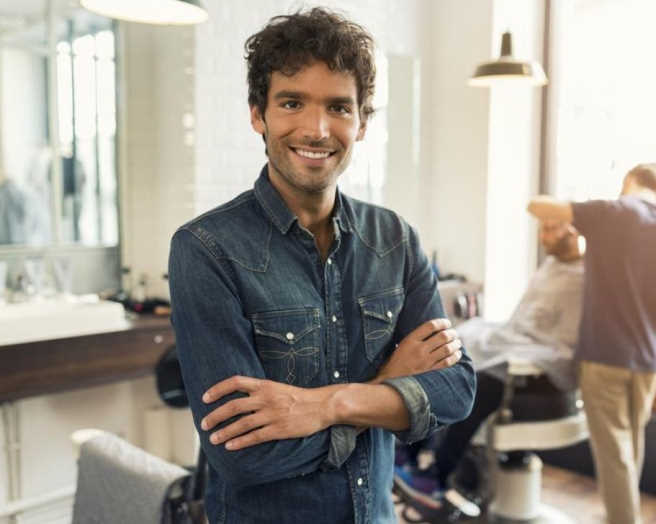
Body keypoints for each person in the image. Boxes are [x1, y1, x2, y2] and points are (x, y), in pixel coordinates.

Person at [168, 9, 476, 524]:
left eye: (338, 107)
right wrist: (386, 387)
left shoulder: (395, 239)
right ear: (257, 114)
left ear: (361, 122)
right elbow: (243, 454)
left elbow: (457, 390)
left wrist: (328, 405)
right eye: (292, 103)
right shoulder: (206, 249)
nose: (316, 128)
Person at [527, 163, 656, 524]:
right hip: (650, 356)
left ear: (629, 182)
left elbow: (538, 207)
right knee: (631, 446)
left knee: (614, 454)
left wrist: (566, 210)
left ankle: (623, 520)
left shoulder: (613, 212)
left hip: (605, 354)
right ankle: (623, 515)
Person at [394, 219, 584, 511]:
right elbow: (523, 323)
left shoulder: (585, 278)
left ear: (573, 230)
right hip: (521, 345)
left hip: (547, 368)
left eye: (553, 228)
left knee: (477, 383)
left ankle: (436, 475)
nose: (545, 236)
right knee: (450, 358)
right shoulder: (550, 268)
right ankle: (410, 449)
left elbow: (563, 341)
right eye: (542, 229)